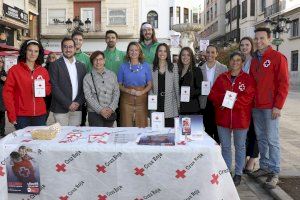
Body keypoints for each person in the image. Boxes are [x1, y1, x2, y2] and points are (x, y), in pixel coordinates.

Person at [249, 27, 289, 189]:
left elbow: (284, 84)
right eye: (256, 39)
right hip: (256, 107)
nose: (258, 41)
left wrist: (278, 106)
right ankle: (264, 167)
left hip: (271, 107)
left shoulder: (278, 57)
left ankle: (274, 171)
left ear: (269, 39)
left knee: (272, 139)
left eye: (262, 38)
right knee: (262, 139)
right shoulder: (254, 59)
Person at [208, 51, 255, 186]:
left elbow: (248, 97)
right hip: (223, 119)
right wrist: (222, 101)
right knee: (226, 147)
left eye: (238, 60)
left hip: (241, 119)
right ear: (229, 62)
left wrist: (232, 103)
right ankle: (226, 172)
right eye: (233, 60)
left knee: (240, 147)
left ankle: (238, 173)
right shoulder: (222, 78)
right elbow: (213, 95)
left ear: (242, 62)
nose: (235, 62)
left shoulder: (247, 79)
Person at [3, 40, 51, 130]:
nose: (33, 54)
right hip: (21, 116)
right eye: (30, 50)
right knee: (24, 143)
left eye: (36, 51)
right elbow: (7, 94)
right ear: (25, 51)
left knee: (39, 142)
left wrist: (42, 89)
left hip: (40, 115)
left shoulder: (43, 71)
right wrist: (11, 114)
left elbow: (48, 90)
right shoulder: (14, 70)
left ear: (39, 53)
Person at [49, 37, 87, 126]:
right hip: (60, 108)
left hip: (77, 108)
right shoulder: (55, 65)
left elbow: (84, 87)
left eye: (70, 47)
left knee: (74, 135)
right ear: (62, 48)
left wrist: (78, 102)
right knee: (62, 136)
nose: (68, 49)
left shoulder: (81, 66)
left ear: (74, 48)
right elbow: (54, 87)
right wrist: (68, 104)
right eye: (65, 47)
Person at [118, 42, 152, 127]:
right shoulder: (123, 66)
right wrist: (128, 90)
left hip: (142, 100)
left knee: (141, 127)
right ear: (128, 52)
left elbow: (150, 84)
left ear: (140, 52)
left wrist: (142, 92)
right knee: (126, 126)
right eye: (131, 50)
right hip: (126, 100)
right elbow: (119, 85)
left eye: (136, 50)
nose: (134, 52)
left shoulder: (146, 66)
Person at [83, 51, 120, 127]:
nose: (98, 62)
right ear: (92, 61)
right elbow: (88, 97)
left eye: (100, 59)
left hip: (110, 112)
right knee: (96, 137)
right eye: (95, 59)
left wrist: (111, 108)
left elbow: (116, 93)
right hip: (94, 113)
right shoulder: (87, 77)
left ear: (104, 60)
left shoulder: (112, 75)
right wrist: (101, 110)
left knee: (109, 136)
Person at [199, 44, 227, 144]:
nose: (210, 54)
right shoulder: (200, 69)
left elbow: (227, 87)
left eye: (212, 52)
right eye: (208, 52)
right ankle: (209, 153)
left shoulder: (223, 68)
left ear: (217, 54)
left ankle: (217, 153)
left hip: (218, 103)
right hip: (205, 103)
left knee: (218, 131)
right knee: (208, 130)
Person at [239, 37, 259, 173]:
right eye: (242, 45)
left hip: (254, 102)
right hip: (242, 103)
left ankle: (252, 159)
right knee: (243, 132)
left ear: (251, 46)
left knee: (254, 131)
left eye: (247, 45)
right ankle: (245, 157)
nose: (244, 47)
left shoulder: (255, 61)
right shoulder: (239, 61)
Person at [150, 43, 180, 127]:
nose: (162, 53)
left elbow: (176, 87)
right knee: (156, 132)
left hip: (170, 104)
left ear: (168, 53)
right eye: (160, 51)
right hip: (156, 104)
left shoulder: (173, 66)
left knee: (169, 132)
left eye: (165, 51)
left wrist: (178, 105)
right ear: (157, 53)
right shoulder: (151, 67)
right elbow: (149, 87)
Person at [103, 30, 125, 127]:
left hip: (120, 92)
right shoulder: (101, 55)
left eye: (113, 37)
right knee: (107, 121)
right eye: (108, 37)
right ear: (105, 40)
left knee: (121, 120)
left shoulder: (123, 55)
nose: (110, 39)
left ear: (117, 40)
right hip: (105, 93)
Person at [72, 31, 93, 126]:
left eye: (80, 40)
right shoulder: (64, 56)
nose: (78, 41)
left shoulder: (87, 58)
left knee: (81, 124)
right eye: (75, 39)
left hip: (81, 96)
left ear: (82, 42)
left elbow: (89, 78)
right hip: (67, 96)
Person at [178, 47, 203, 115]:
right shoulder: (177, 71)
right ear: (180, 57)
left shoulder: (196, 70)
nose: (185, 57)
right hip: (179, 109)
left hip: (192, 108)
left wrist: (187, 94)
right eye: (183, 55)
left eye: (188, 55)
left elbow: (200, 89)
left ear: (191, 57)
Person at [44, 52, 57, 121]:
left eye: (53, 57)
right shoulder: (44, 68)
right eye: (50, 57)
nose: (51, 59)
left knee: (58, 116)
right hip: (47, 94)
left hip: (56, 93)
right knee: (46, 112)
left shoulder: (58, 68)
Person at [0, 56, 7, 137]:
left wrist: (6, 79)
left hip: (1, 97)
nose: (0, 63)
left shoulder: (4, 72)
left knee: (2, 115)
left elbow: (7, 83)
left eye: (1, 61)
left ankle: (2, 132)